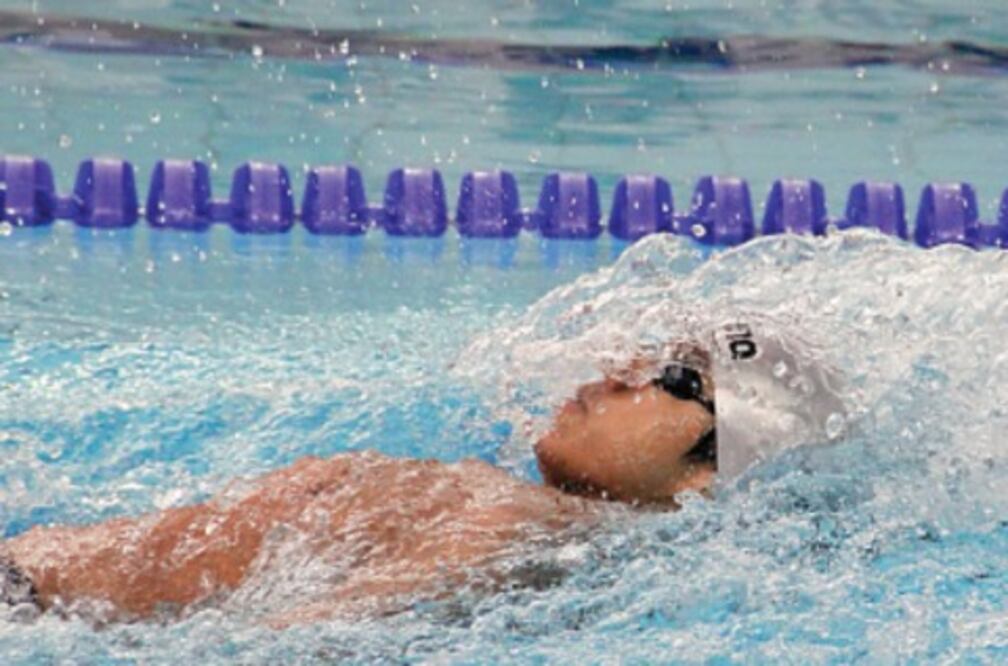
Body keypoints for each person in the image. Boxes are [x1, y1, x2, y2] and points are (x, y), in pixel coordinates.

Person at [0, 320, 846, 626]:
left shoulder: (523, 522)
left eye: (676, 378)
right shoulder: (505, 504)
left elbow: (308, 641)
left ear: (706, 478)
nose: (622, 370)